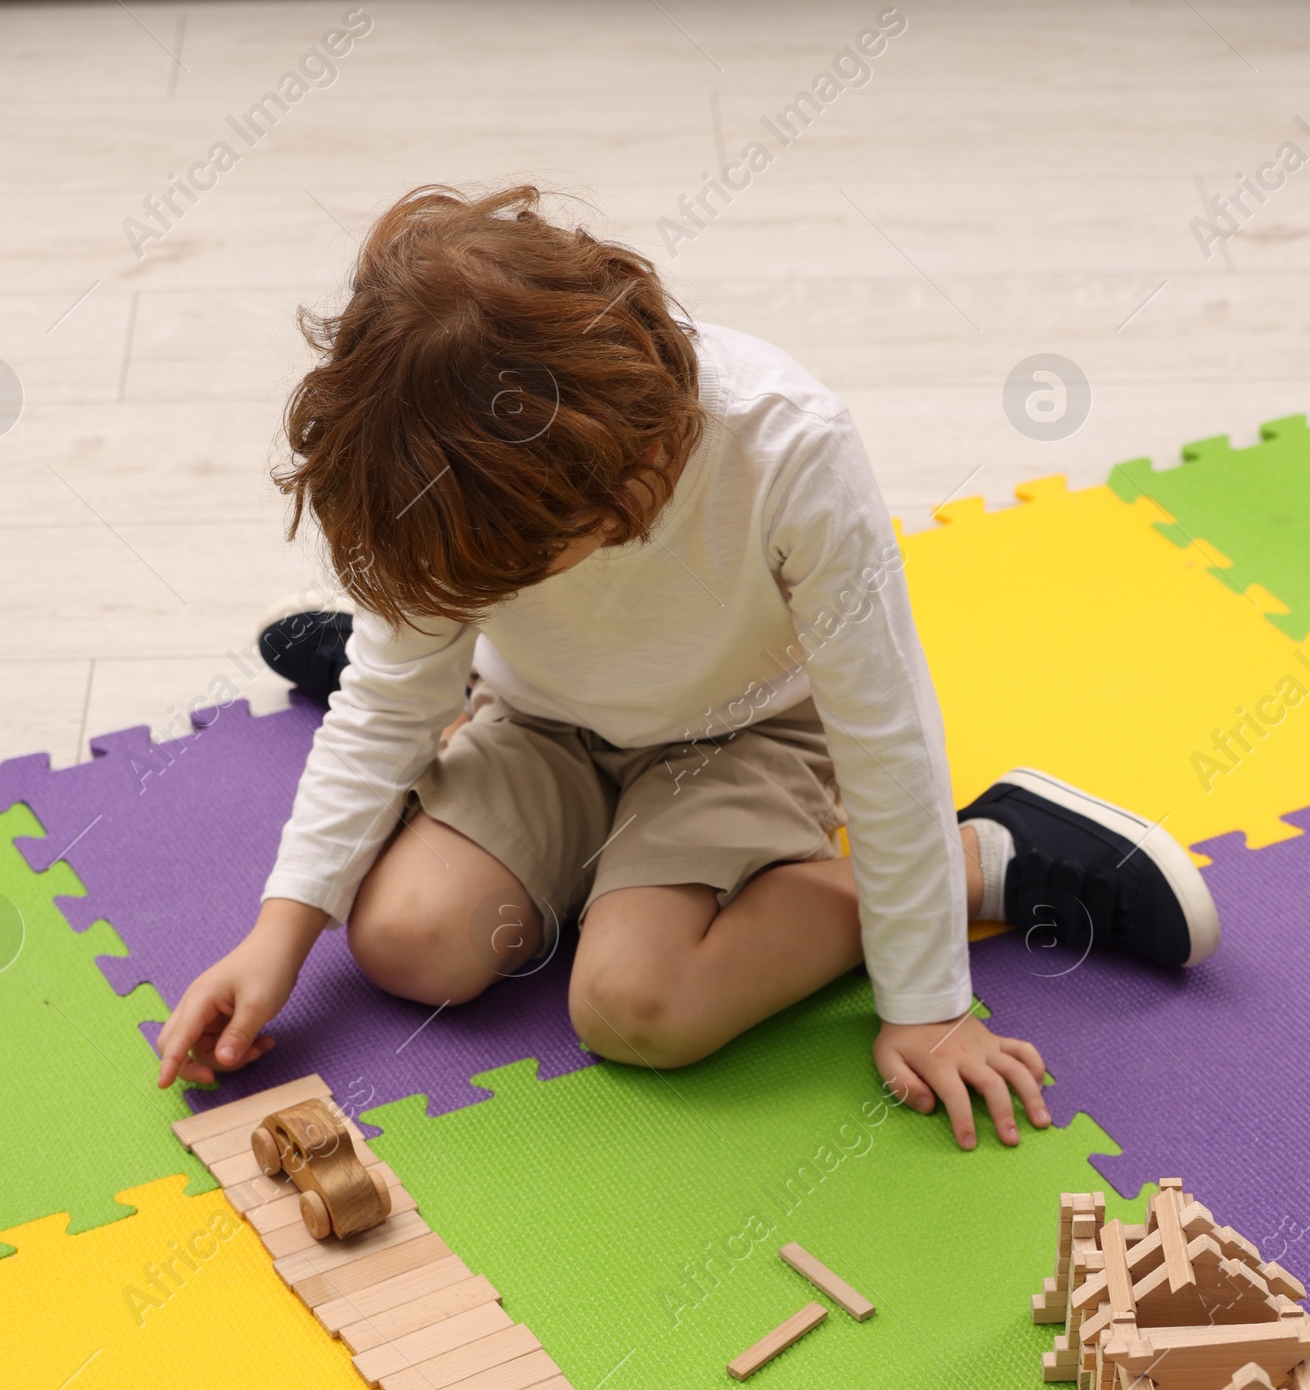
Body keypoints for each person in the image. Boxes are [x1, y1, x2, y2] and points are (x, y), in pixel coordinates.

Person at [156, 185, 1217, 1150]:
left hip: (747, 727)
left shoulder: (788, 449)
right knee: (405, 941)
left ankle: (995, 854)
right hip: (543, 716)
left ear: (626, 486)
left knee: (635, 1004)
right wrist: (275, 938)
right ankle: (445, 679)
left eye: (475, 583)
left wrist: (926, 999)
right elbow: (386, 703)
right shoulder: (472, 487)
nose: (471, 585)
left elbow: (883, 731)